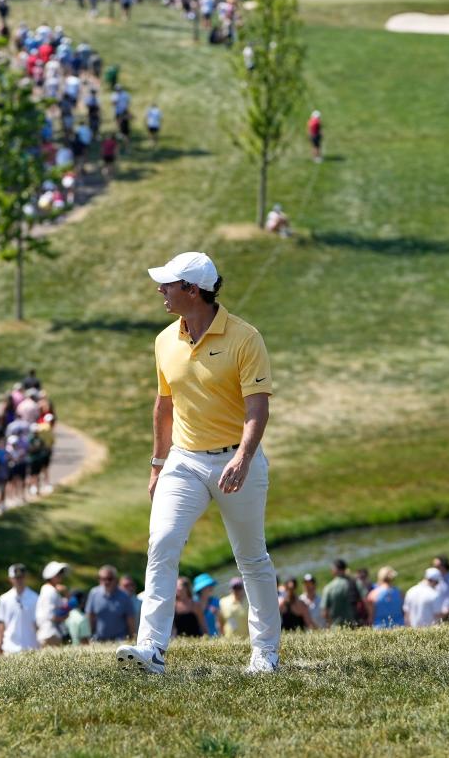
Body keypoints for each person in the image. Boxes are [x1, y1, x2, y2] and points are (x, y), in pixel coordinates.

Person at [117, 251, 280, 677]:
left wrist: (244, 458)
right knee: (162, 545)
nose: (160, 291)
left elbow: (257, 409)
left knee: (251, 559)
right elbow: (163, 406)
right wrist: (157, 465)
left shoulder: (245, 338)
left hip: (235, 461)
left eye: (168, 284)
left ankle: (265, 652)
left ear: (193, 290)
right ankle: (151, 650)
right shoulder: (164, 340)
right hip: (184, 462)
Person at [0, 563, 39, 655]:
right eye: (16, 578)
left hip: (31, 647)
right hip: (9, 648)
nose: (19, 580)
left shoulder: (35, 598)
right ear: (10, 579)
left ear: (26, 577)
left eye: (21, 577)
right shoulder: (4, 598)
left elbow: (38, 623)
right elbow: (1, 624)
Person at [87, 565, 137, 642]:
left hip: (120, 640)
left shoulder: (125, 596)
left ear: (115, 579)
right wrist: (89, 635)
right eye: (102, 579)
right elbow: (90, 616)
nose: (106, 582)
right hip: (98, 639)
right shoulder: (94, 593)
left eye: (109, 579)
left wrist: (132, 639)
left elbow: (130, 620)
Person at [322, 559, 363, 628]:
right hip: (355, 625)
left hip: (336, 627)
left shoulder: (328, 588)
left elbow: (324, 612)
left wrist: (329, 624)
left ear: (334, 571)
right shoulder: (355, 583)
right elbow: (366, 600)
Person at [37, 561, 69, 647]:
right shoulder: (50, 591)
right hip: (50, 633)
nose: (61, 576)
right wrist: (63, 617)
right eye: (58, 573)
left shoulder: (50, 590)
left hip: (50, 632)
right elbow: (50, 615)